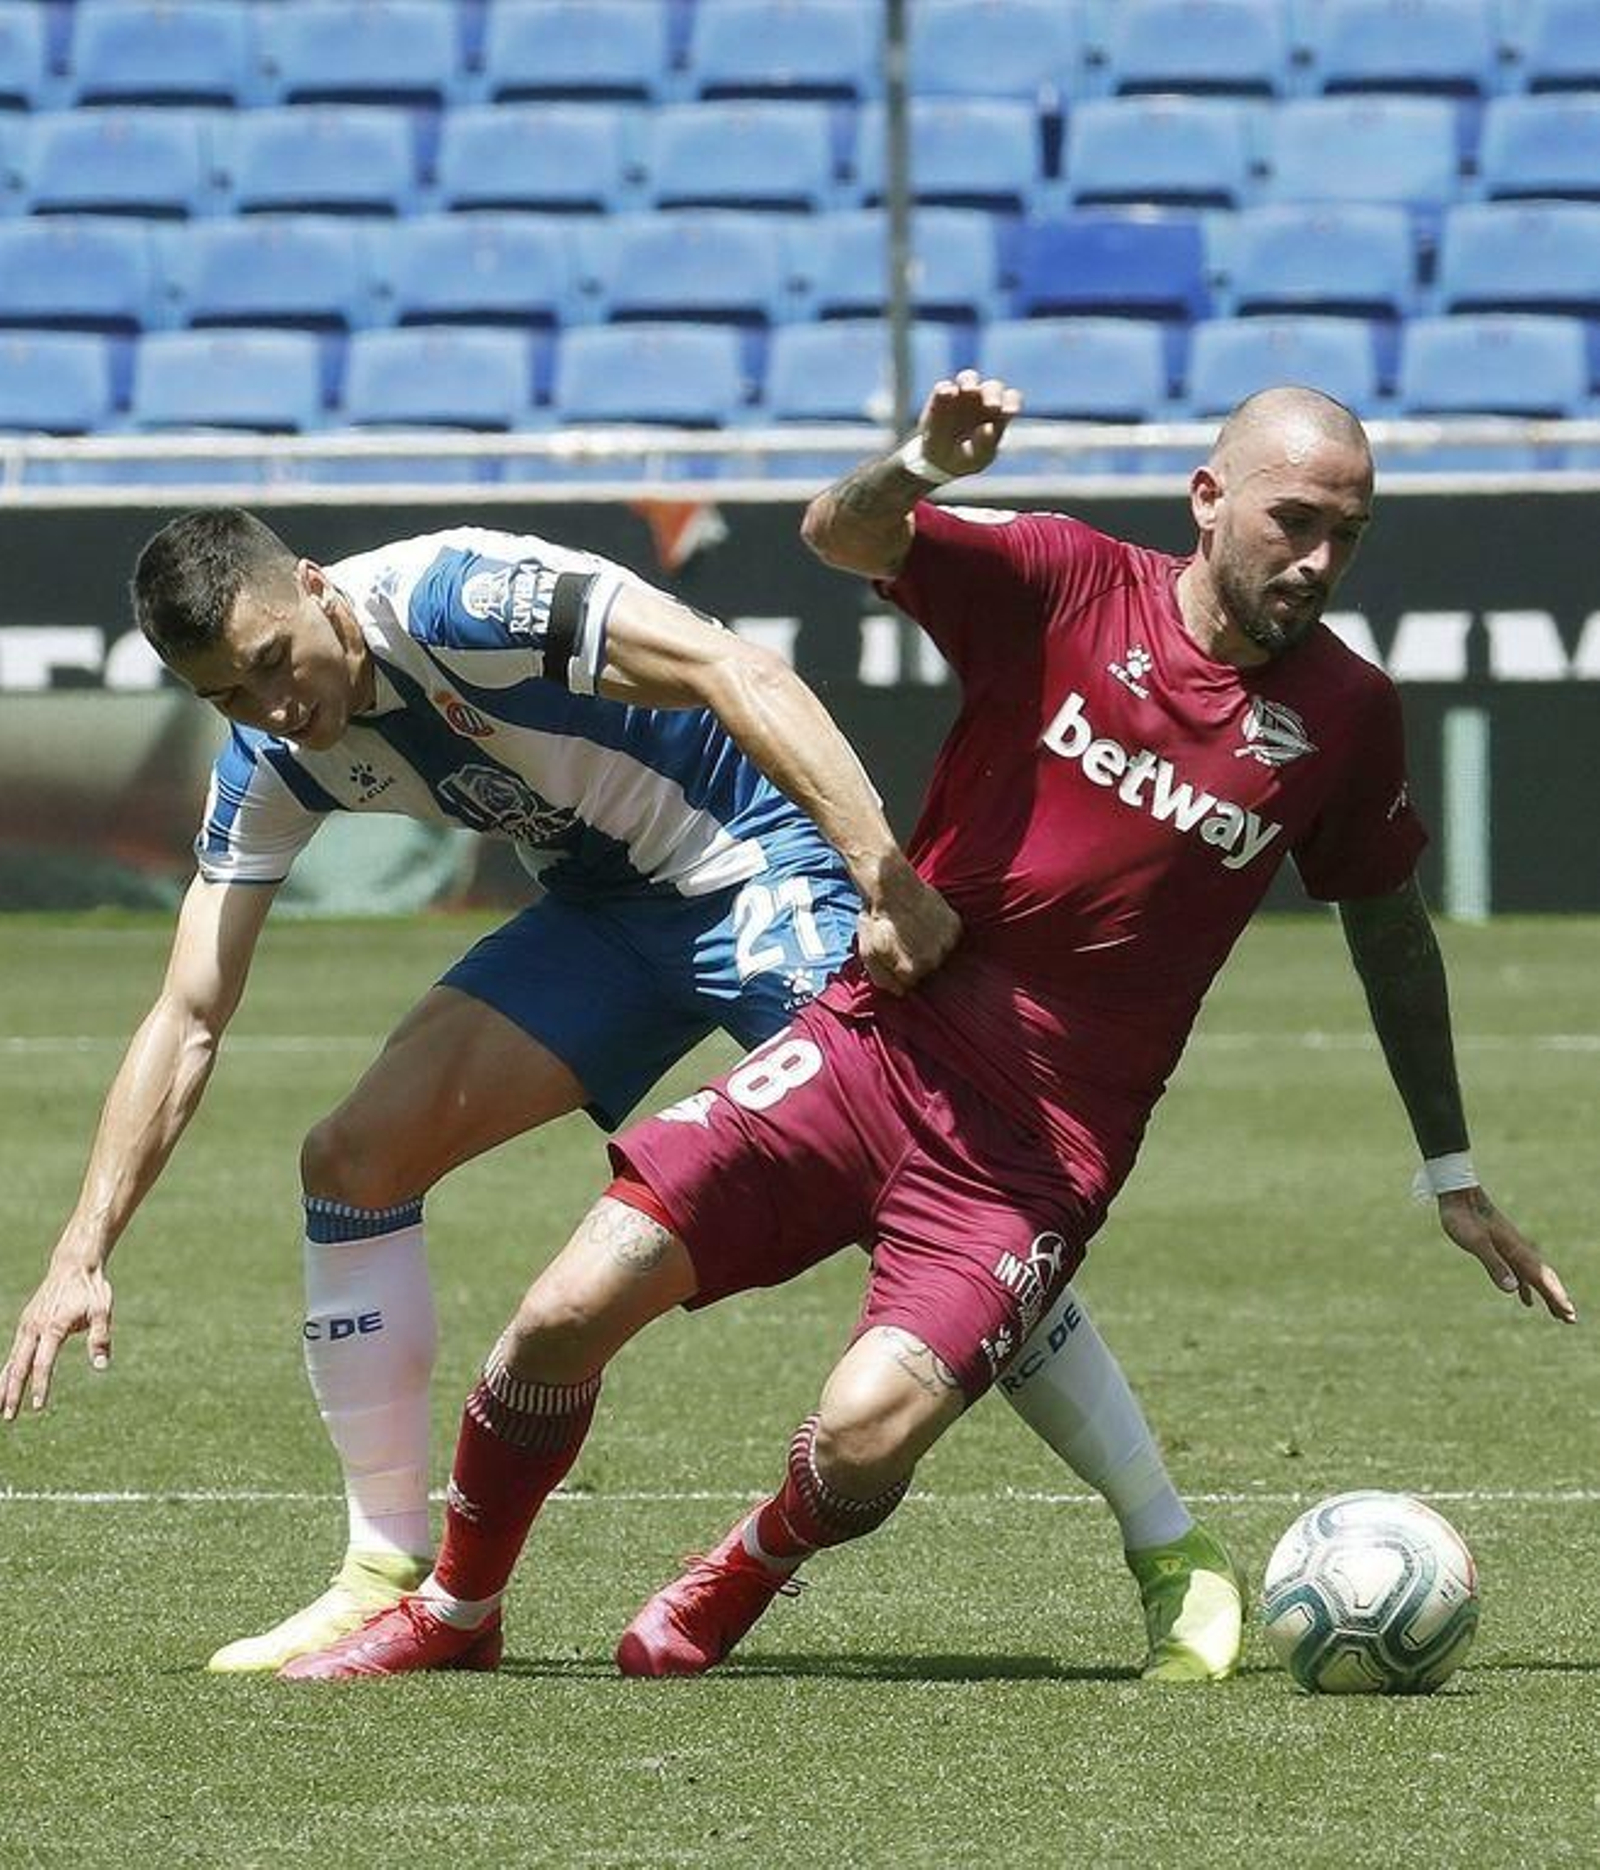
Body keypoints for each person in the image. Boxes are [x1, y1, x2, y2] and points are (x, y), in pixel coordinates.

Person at [276, 373, 1575, 1688]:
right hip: (865, 1050)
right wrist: (919, 462)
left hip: (1037, 1158)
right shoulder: (1067, 579)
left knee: (863, 1435)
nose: (1317, 560)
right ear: (1208, 497)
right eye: (1294, 520)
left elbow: (1391, 926)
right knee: (559, 1313)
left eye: (1346, 534)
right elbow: (842, 534)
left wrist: (1452, 1169)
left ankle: (749, 1565)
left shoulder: (1345, 716)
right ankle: (456, 1608)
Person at [0, 508, 1242, 1681]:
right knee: (352, 1159)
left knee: (937, 1189)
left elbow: (732, 666)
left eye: (275, 661)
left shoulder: (461, 601)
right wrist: (81, 1247)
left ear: (317, 591)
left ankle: (1164, 1539)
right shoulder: (272, 756)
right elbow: (188, 1012)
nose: (273, 705)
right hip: (610, 910)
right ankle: (385, 1565)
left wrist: (881, 876)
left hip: (756, 857)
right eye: (226, 693)